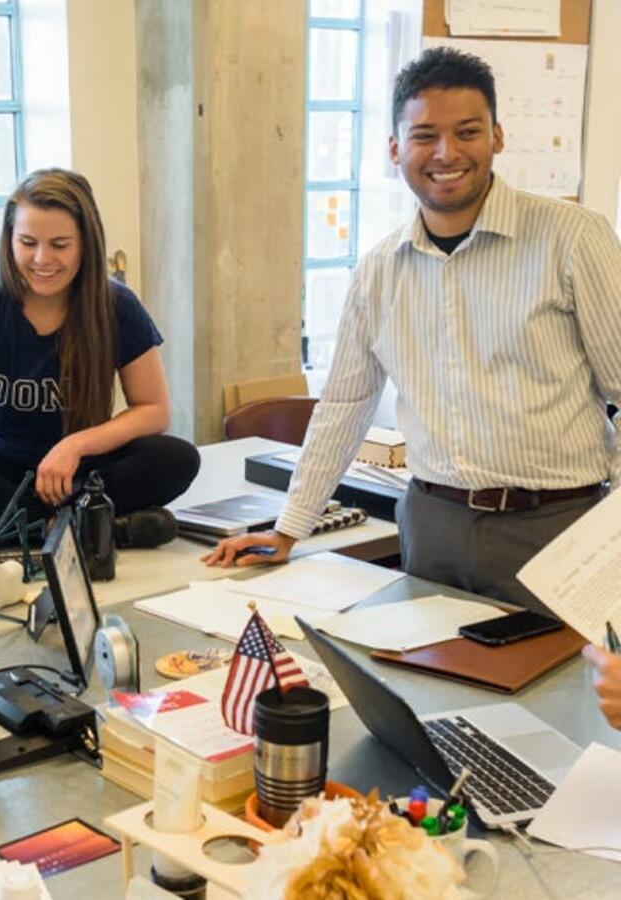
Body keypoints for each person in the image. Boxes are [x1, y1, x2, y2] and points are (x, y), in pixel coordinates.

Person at [203, 47, 621, 615]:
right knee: (429, 697)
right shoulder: (379, 270)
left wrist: (609, 532)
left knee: (567, 702)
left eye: (466, 131)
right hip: (432, 527)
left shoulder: (573, 239)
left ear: (497, 137)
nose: (446, 153)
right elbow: (344, 408)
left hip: (555, 528)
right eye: (424, 135)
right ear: (396, 148)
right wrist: (289, 528)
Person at [0, 168, 199, 546]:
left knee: (177, 458)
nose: (42, 259)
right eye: (27, 242)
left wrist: (75, 445)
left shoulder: (118, 306)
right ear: (9, 241)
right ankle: (81, 527)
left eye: (60, 244)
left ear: (86, 243)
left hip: (78, 472)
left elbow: (154, 410)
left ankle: (14, 530)